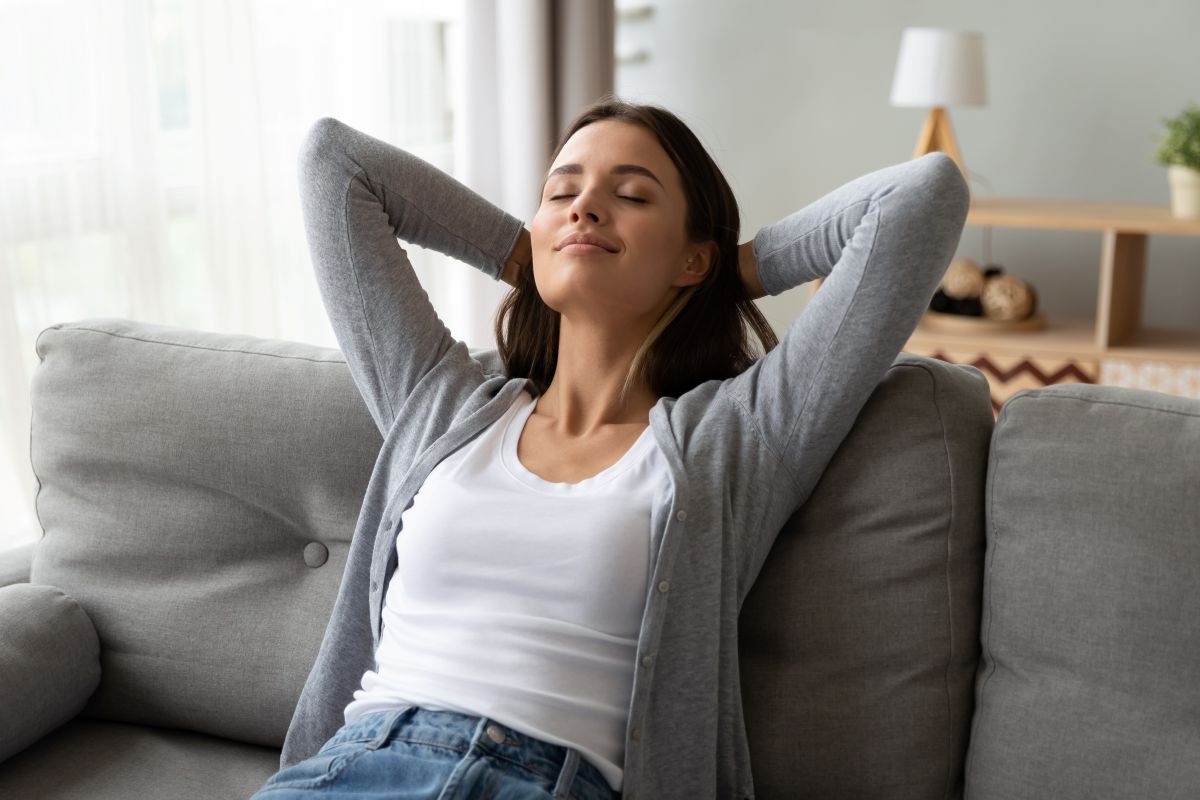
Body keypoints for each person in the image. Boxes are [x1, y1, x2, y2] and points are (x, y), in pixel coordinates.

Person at [250, 94, 970, 800]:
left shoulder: (739, 436)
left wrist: (728, 273)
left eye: (629, 196)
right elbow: (333, 163)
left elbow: (921, 196)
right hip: (355, 769)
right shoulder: (439, 405)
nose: (584, 207)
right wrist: (524, 251)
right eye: (562, 192)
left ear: (691, 258)